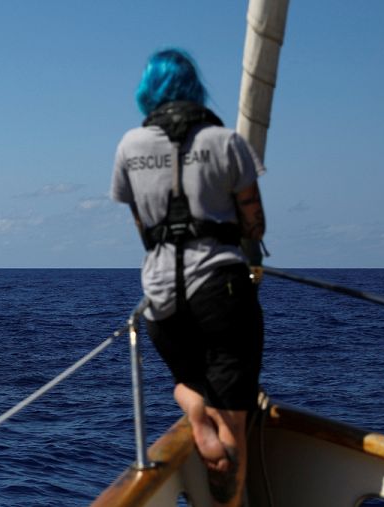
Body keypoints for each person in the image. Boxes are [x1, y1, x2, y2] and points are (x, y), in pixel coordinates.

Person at [110, 48, 266, 507]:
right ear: (195, 88)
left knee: (190, 381)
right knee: (232, 425)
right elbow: (255, 223)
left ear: (147, 92)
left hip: (160, 298)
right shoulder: (226, 141)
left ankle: (195, 409)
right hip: (221, 288)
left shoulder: (129, 146)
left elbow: (141, 224)